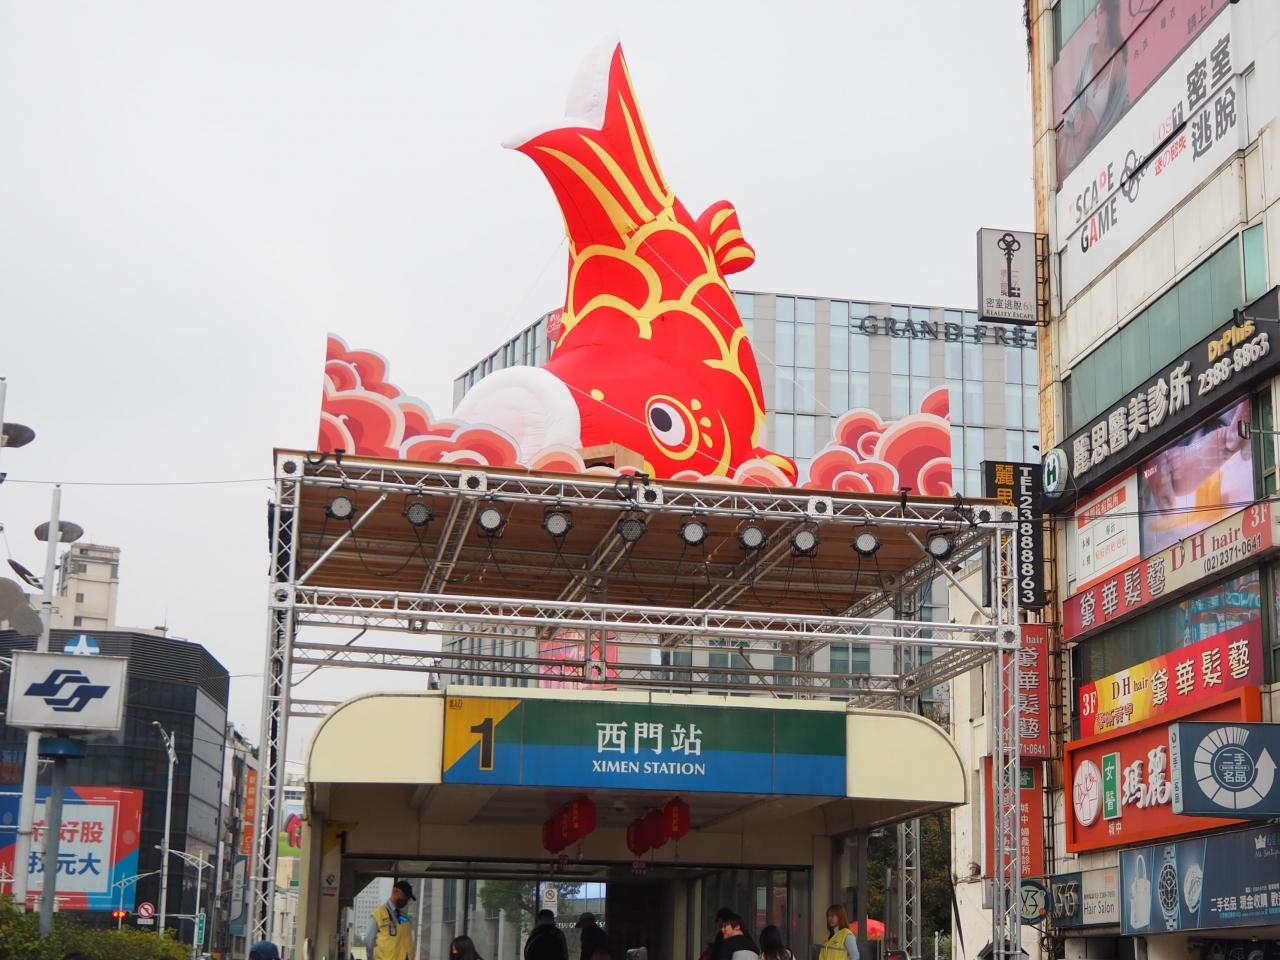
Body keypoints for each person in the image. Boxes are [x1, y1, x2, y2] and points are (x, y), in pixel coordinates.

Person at [364, 879, 416, 960]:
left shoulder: (405, 918)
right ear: (395, 891)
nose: (406, 900)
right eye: (404, 896)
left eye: (408, 898)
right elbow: (369, 941)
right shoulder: (378, 915)